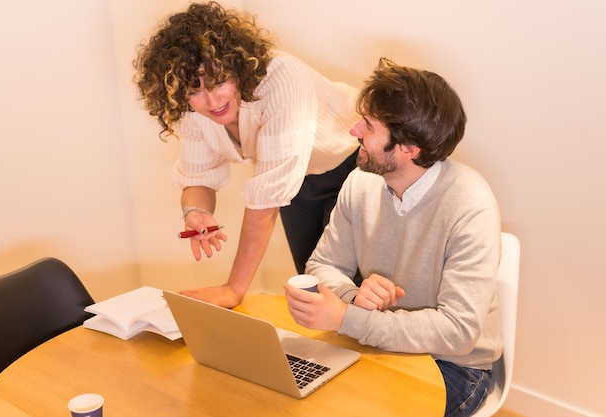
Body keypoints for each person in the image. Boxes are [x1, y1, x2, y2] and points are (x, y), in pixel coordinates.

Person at [284, 58, 502, 417]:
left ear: (409, 148)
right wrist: (355, 297)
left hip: (451, 365)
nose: (354, 130)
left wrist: (347, 318)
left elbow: (459, 331)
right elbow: (323, 264)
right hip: (376, 344)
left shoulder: (470, 205)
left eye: (368, 126)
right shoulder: (361, 182)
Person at [133, 1, 359, 308]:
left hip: (354, 165)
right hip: (302, 180)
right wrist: (194, 210)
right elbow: (199, 176)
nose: (212, 101)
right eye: (195, 90)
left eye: (219, 82)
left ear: (238, 66)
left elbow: (265, 200)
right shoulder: (192, 111)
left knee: (350, 292)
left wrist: (233, 289)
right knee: (313, 286)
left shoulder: (282, 77)